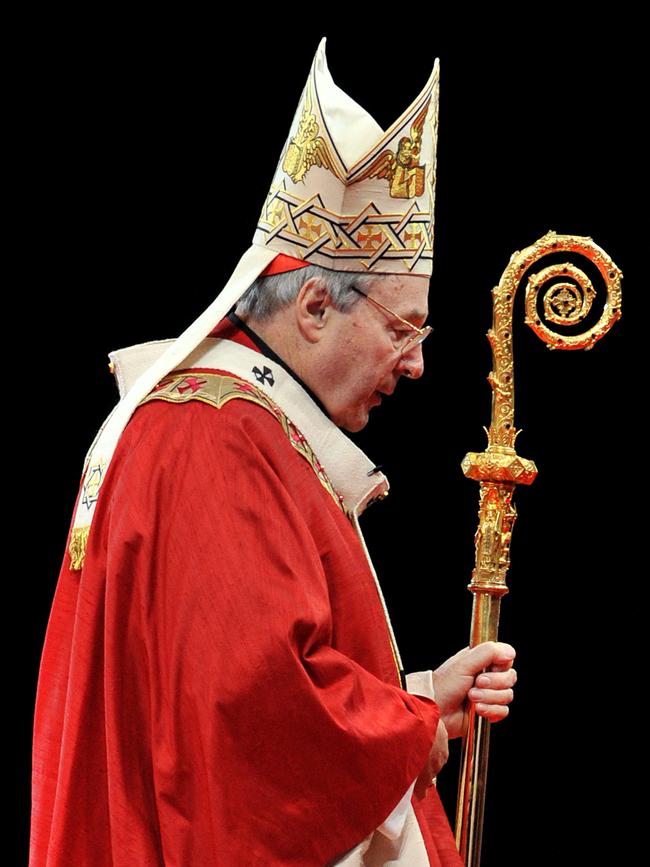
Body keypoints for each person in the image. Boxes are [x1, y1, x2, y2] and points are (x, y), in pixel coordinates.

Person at [30, 39, 516, 866]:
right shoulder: (207, 438)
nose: (418, 363)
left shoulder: (239, 423)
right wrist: (409, 729)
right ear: (318, 303)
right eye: (403, 328)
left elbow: (245, 692)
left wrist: (424, 696)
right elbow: (246, 734)